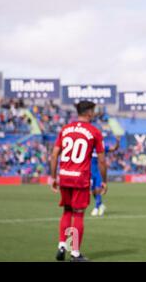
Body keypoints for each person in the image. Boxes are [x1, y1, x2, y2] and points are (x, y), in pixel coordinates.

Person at [50, 101, 107, 261]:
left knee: (67, 211)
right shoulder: (94, 131)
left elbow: (54, 155)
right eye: (93, 111)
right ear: (89, 113)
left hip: (65, 176)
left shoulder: (65, 129)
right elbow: (102, 161)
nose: (94, 114)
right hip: (80, 178)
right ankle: (75, 253)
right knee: (79, 215)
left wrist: (53, 177)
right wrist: (104, 181)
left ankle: (62, 245)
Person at [91, 136, 120, 217]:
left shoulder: (102, 147)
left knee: (98, 188)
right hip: (90, 171)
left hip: (99, 171)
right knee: (93, 191)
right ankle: (100, 205)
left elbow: (114, 148)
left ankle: (97, 208)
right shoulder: (88, 146)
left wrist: (117, 142)